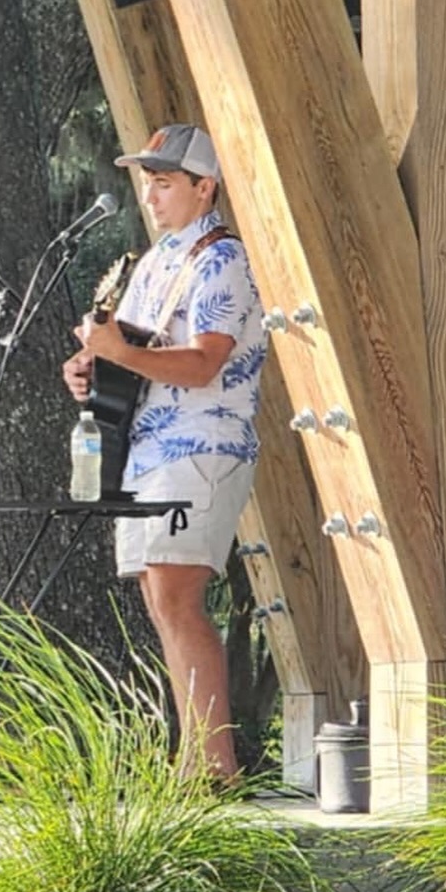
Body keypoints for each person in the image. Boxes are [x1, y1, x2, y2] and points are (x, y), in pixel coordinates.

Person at [62, 123, 265, 785]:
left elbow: (205, 360)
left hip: (204, 443)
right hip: (147, 446)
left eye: (166, 180)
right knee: (160, 601)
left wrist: (121, 353)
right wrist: (91, 368)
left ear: (205, 188)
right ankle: (194, 766)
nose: (150, 193)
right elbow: (132, 352)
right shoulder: (152, 263)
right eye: (147, 179)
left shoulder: (222, 259)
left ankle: (215, 772)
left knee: (178, 597)